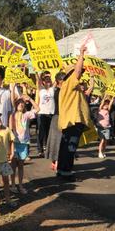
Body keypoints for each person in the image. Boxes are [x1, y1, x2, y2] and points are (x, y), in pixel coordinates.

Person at [57, 44, 93, 181]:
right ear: (70, 74)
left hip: (72, 122)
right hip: (72, 122)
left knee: (66, 147)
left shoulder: (73, 87)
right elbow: (77, 72)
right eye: (79, 73)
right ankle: (66, 172)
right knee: (70, 148)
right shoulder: (69, 83)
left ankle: (62, 170)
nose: (81, 74)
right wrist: (81, 54)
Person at [10, 96, 39, 194]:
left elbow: (38, 109)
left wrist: (30, 99)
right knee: (13, 165)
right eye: (18, 103)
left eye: (22, 103)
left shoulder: (26, 114)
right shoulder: (12, 114)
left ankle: (20, 185)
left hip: (24, 143)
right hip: (14, 143)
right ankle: (13, 185)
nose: (21, 104)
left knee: (21, 165)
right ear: (15, 105)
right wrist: (13, 88)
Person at [45, 72, 65, 171]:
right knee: (56, 140)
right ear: (59, 81)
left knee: (60, 140)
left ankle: (56, 161)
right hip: (57, 117)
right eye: (63, 79)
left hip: (64, 117)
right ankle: (55, 161)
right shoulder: (55, 91)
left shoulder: (65, 90)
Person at [35, 71, 56, 157]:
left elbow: (56, 81)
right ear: (43, 82)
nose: (48, 81)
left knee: (49, 132)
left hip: (51, 113)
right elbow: (38, 81)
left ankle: (47, 148)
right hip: (42, 113)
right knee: (41, 132)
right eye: (46, 80)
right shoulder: (41, 89)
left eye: (49, 80)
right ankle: (40, 150)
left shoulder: (52, 89)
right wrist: (37, 73)